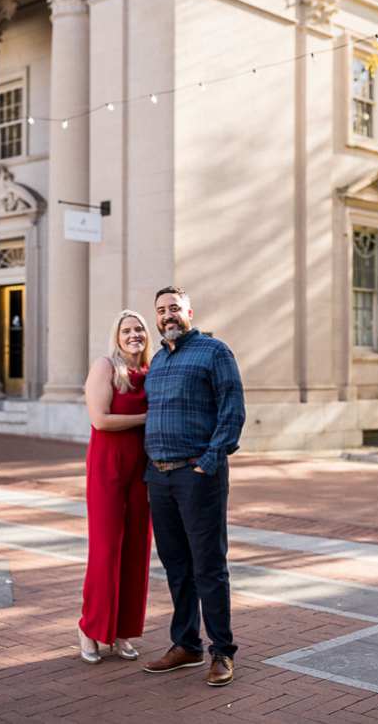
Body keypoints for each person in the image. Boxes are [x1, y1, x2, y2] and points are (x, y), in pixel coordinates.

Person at [141, 287, 246, 687]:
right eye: (161, 310)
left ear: (188, 311)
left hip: (197, 474)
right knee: (177, 567)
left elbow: (232, 410)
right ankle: (186, 645)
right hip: (159, 477)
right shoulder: (158, 359)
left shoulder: (214, 352)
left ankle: (222, 650)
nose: (168, 316)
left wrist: (208, 462)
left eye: (174, 309)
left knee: (208, 566)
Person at [78, 310, 154, 664]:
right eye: (127, 330)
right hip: (108, 467)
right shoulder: (106, 367)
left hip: (143, 469)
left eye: (139, 329)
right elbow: (101, 419)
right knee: (107, 549)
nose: (134, 334)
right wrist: (148, 417)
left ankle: (121, 632)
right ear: (117, 336)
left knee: (137, 550)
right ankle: (90, 628)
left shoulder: (151, 372)